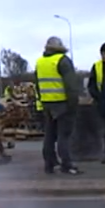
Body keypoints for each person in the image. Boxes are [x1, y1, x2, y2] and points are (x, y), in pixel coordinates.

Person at [34, 36, 82, 175]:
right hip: (62, 103)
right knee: (64, 135)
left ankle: (49, 164)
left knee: (49, 135)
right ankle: (67, 164)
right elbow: (71, 85)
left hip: (47, 104)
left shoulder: (40, 62)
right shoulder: (62, 60)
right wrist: (73, 104)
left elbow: (37, 85)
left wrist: (43, 101)